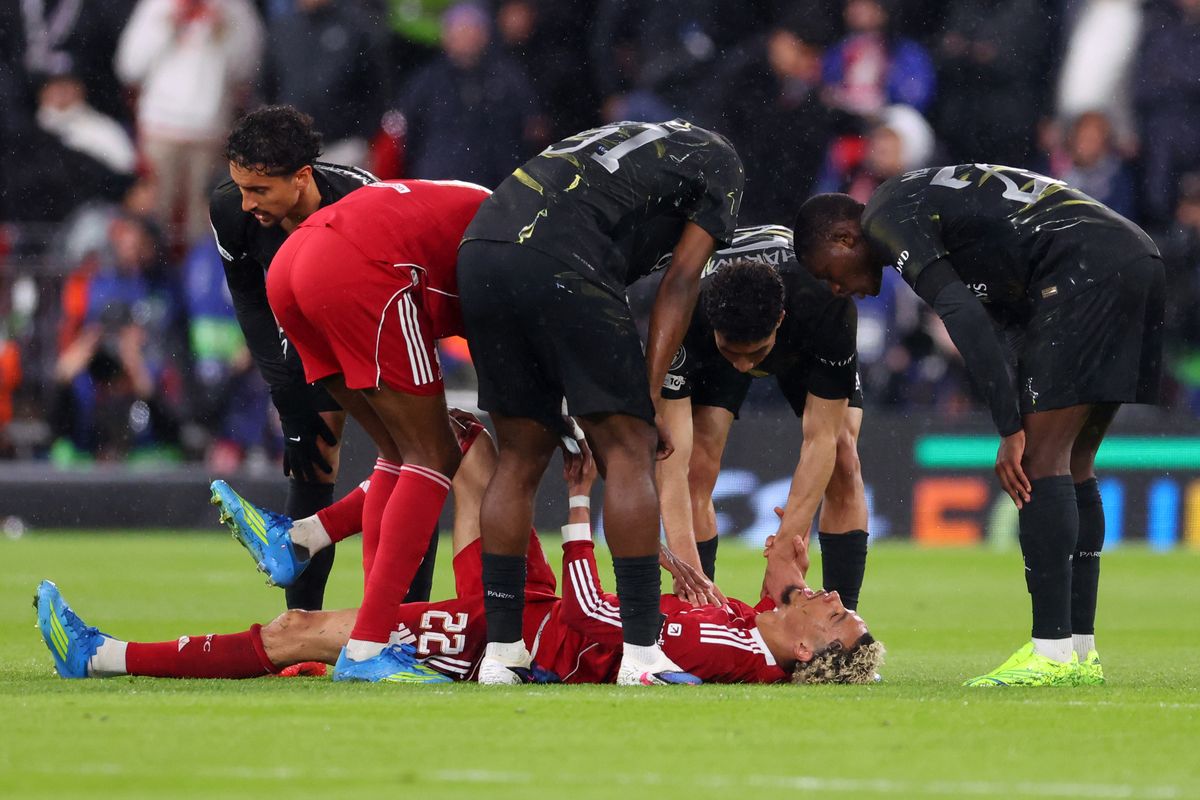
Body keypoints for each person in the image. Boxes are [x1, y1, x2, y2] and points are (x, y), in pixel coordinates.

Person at [35, 432, 884, 686]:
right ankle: (304, 538)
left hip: (508, 635)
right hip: (536, 609)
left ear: (807, 651)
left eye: (836, 613)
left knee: (302, 630)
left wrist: (583, 505)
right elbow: (689, 625)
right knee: (472, 449)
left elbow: (604, 618)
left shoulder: (735, 651)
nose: (836, 594)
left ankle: (102, 658)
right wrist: (764, 586)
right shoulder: (742, 634)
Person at [793, 164, 1164, 686]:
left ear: (843, 234)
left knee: (1038, 461)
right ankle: (1079, 653)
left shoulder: (885, 215)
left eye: (827, 271)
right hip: (1130, 255)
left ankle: (1052, 655)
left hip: (1083, 268)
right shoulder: (923, 199)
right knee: (1075, 463)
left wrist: (1010, 426)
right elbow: (1003, 318)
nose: (834, 288)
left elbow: (960, 312)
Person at [456, 118, 744, 685]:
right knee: (629, 447)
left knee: (519, 457)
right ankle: (640, 654)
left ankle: (503, 654)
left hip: (481, 249)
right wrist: (649, 395)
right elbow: (682, 281)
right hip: (565, 259)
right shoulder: (723, 163)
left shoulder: (623, 136)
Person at [264, 174, 491, 683]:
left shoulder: (474, 202)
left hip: (289, 269)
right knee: (434, 455)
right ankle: (368, 645)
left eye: (255, 190)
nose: (247, 204)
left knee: (398, 451)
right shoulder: (513, 242)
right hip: (357, 270)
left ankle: (308, 540)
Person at [210, 105, 427, 614]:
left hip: (387, 320)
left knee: (417, 461)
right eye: (240, 187)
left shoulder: (364, 202)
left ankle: (409, 626)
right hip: (312, 328)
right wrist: (287, 394)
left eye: (260, 190)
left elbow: (406, 296)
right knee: (312, 461)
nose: (245, 204)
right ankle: (300, 627)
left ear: (303, 177)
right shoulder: (230, 210)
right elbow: (249, 299)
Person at [658, 225, 869, 611]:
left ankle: (844, 620)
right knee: (697, 467)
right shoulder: (682, 309)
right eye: (732, 352)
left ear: (780, 321)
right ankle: (700, 614)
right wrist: (685, 569)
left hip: (802, 343)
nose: (743, 366)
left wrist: (786, 550)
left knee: (842, 454)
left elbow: (819, 438)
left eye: (755, 355)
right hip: (708, 341)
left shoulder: (825, 302)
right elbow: (671, 460)